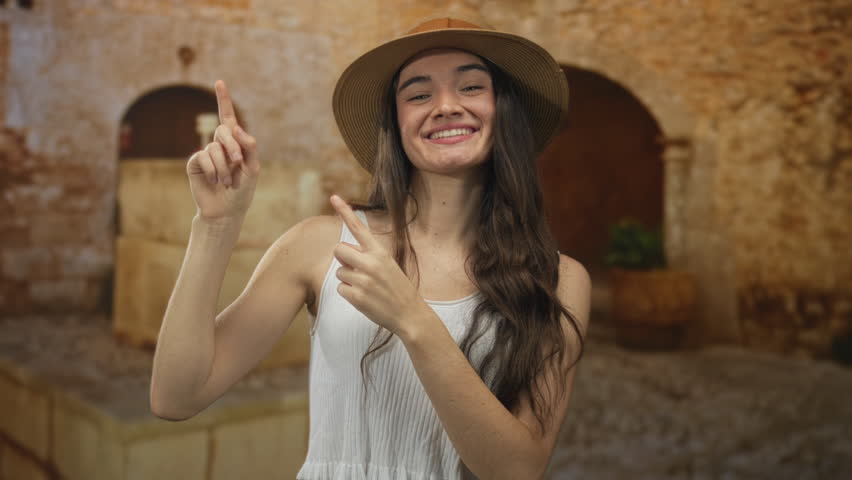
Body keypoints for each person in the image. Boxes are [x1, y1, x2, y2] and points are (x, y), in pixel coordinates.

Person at [150, 16, 590, 480]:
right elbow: (175, 397)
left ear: (504, 111)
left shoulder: (559, 280)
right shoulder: (322, 245)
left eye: (471, 88)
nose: (444, 106)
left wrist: (413, 319)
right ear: (395, 126)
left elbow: (518, 470)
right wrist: (215, 225)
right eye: (418, 95)